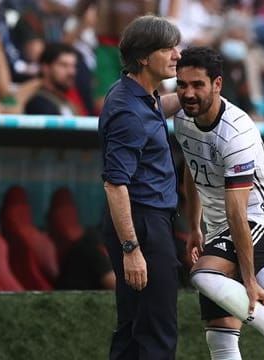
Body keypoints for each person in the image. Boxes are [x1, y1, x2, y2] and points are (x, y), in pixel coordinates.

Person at [174, 46, 264, 360]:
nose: (188, 93)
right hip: (221, 230)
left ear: (217, 84)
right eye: (182, 85)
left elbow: (237, 210)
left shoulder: (236, 132)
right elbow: (193, 171)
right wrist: (195, 227)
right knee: (219, 336)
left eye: (197, 85)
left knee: (204, 275)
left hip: (260, 222)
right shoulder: (182, 120)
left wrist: (250, 281)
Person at [98, 15, 182, 359]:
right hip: (141, 224)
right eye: (168, 48)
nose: (177, 54)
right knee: (156, 331)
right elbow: (115, 184)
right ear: (145, 57)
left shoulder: (136, 93)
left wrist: (191, 96)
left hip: (142, 219)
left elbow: (157, 110)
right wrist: (132, 249)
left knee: (134, 328)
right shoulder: (129, 111)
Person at [24, 42, 80, 115]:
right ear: (45, 68)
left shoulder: (66, 102)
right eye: (63, 65)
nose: (71, 72)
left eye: (73, 66)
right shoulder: (39, 103)